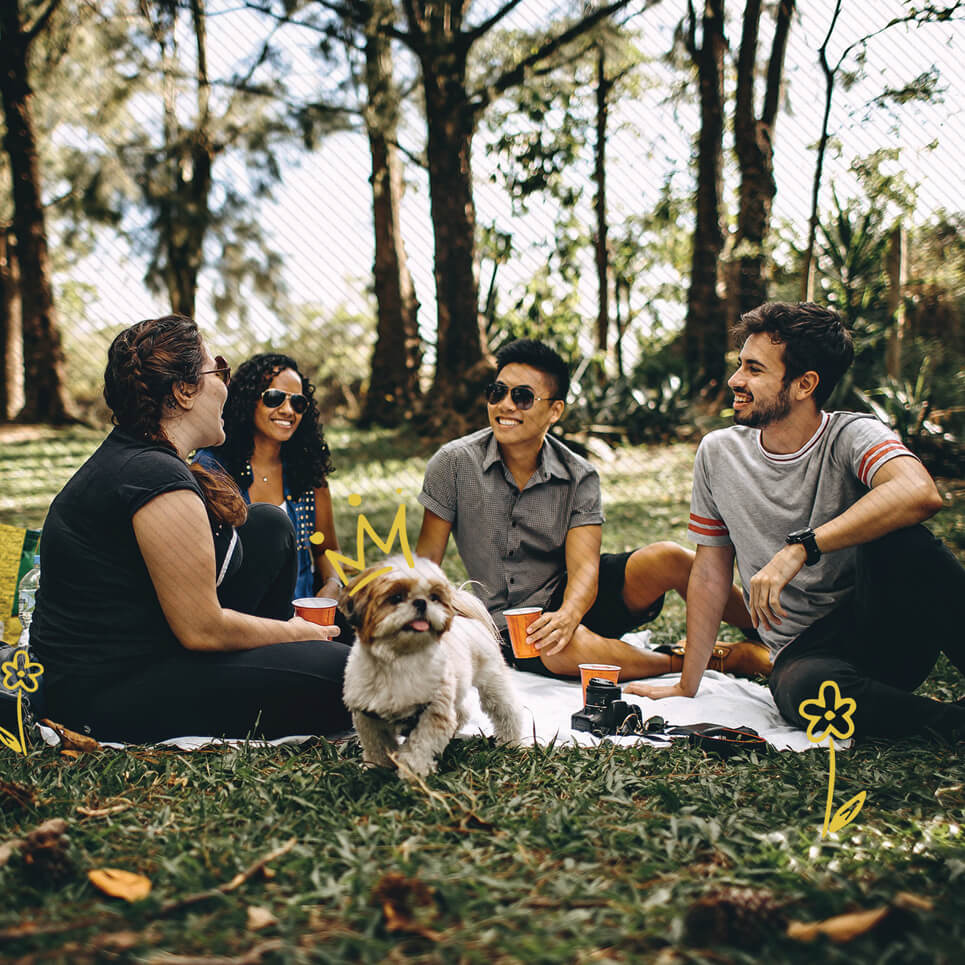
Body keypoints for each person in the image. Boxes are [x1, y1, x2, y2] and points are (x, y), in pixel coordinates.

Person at [625, 301, 965, 740]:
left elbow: (920, 492)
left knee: (905, 540)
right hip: (807, 655)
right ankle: (952, 727)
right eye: (739, 365)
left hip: (883, 626)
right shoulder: (719, 453)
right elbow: (710, 572)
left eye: (754, 369)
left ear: (805, 384)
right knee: (799, 690)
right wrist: (687, 685)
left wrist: (801, 547)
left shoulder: (852, 434)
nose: (735, 380)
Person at [29, 315, 352, 743]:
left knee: (269, 525)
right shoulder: (152, 477)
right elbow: (202, 629)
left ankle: (290, 659)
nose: (225, 384)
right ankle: (296, 659)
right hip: (107, 692)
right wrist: (296, 631)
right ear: (183, 391)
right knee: (349, 676)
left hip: (152, 647)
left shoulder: (144, 458)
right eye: (217, 369)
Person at [416, 338, 765, 681]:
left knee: (670, 558)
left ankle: (770, 630)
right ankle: (705, 661)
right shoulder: (454, 464)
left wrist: (568, 614)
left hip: (575, 597)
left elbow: (585, 568)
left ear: (555, 410)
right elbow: (426, 563)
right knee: (558, 647)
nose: (505, 405)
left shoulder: (578, 474)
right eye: (497, 392)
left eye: (522, 397)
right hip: (512, 626)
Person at [194, 353, 343, 602]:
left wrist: (332, 584)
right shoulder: (213, 469)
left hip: (305, 617)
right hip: (239, 618)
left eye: (298, 403)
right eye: (274, 398)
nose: (287, 410)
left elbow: (326, 550)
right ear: (248, 400)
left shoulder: (307, 471)